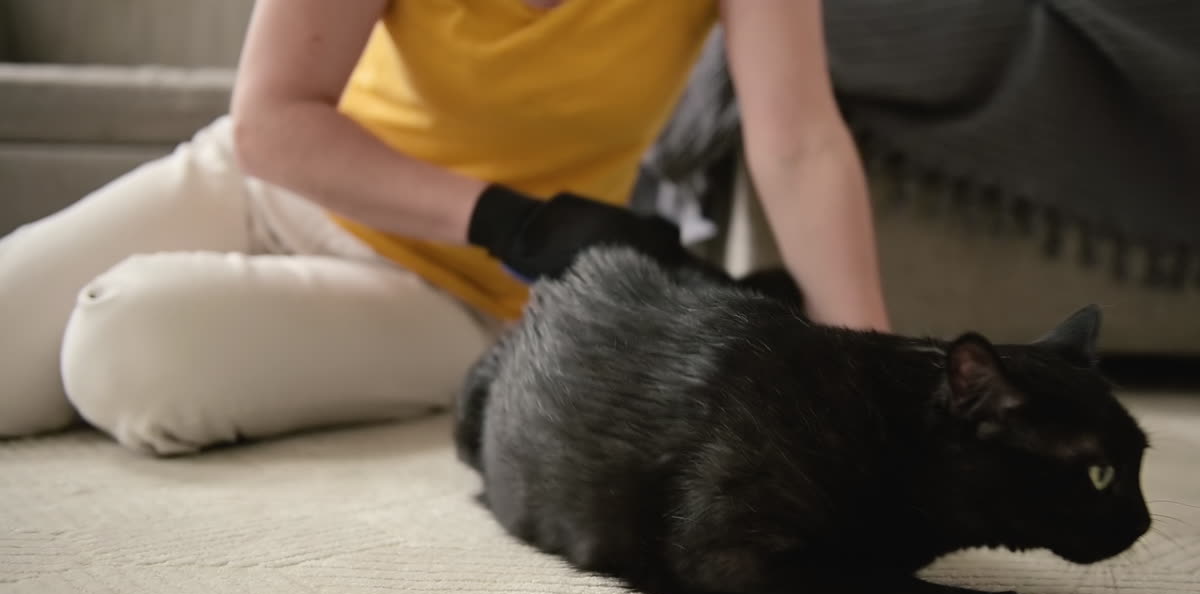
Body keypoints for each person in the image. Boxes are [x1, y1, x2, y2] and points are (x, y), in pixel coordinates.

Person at [0, 0, 890, 456]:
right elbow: (271, 120)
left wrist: (874, 375)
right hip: (260, 188)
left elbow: (802, 143)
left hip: (456, 294)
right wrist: (518, 219)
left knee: (123, 345)